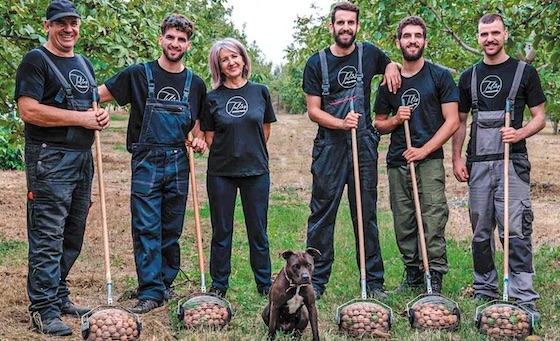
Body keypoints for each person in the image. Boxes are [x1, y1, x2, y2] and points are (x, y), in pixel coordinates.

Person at [97, 13, 207, 314]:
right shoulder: (137, 74)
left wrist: (199, 141)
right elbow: (98, 95)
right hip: (146, 160)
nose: (175, 43)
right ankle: (149, 291)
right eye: (170, 37)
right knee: (146, 226)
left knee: (171, 227)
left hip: (177, 160)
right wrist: (90, 113)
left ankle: (164, 282)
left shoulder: (195, 83)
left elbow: (198, 127)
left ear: (188, 45)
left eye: (181, 40)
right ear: (161, 39)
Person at [14, 0, 110, 336]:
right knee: (47, 235)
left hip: (82, 159)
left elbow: (90, 107)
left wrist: (98, 116)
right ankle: (42, 309)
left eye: (73, 23)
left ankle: (58, 294)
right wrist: (81, 118)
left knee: (73, 231)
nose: (68, 29)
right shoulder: (35, 61)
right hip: (49, 159)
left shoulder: (83, 63)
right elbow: (28, 111)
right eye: (61, 23)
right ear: (47, 26)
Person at [302, 1, 401, 300]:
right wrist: (341, 124)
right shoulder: (316, 63)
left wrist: (392, 65)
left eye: (351, 23)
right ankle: (316, 281)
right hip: (330, 147)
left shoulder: (368, 53)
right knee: (321, 215)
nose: (346, 27)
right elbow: (313, 111)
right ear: (331, 26)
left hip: (363, 146)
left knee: (366, 214)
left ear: (357, 26)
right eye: (340, 22)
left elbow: (388, 64)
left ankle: (373, 282)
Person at [451, 13, 546, 320]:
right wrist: (456, 158)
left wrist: (519, 133)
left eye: (495, 33)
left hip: (512, 162)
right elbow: (461, 122)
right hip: (478, 164)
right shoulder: (469, 76)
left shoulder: (524, 72)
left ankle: (522, 292)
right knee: (480, 231)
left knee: (515, 229)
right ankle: (485, 287)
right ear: (478, 37)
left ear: (505, 34)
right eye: (483, 34)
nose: (489, 38)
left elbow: (539, 117)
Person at [374, 16, 459, 293]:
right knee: (404, 222)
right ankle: (412, 276)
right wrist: (397, 119)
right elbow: (379, 123)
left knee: (433, 219)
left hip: (429, 161)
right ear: (398, 42)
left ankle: (433, 276)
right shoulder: (389, 83)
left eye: (418, 36)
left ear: (425, 40)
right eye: (407, 36)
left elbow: (452, 121)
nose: (413, 41)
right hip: (398, 162)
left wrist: (424, 150)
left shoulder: (439, 76)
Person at [201, 37, 276, 298]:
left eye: (234, 56)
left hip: (256, 171)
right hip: (221, 173)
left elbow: (263, 131)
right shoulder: (211, 98)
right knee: (221, 231)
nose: (231, 62)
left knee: (258, 230)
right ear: (218, 67)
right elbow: (209, 136)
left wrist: (247, 150)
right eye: (224, 59)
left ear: (243, 59)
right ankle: (219, 284)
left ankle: (265, 283)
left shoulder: (260, 92)